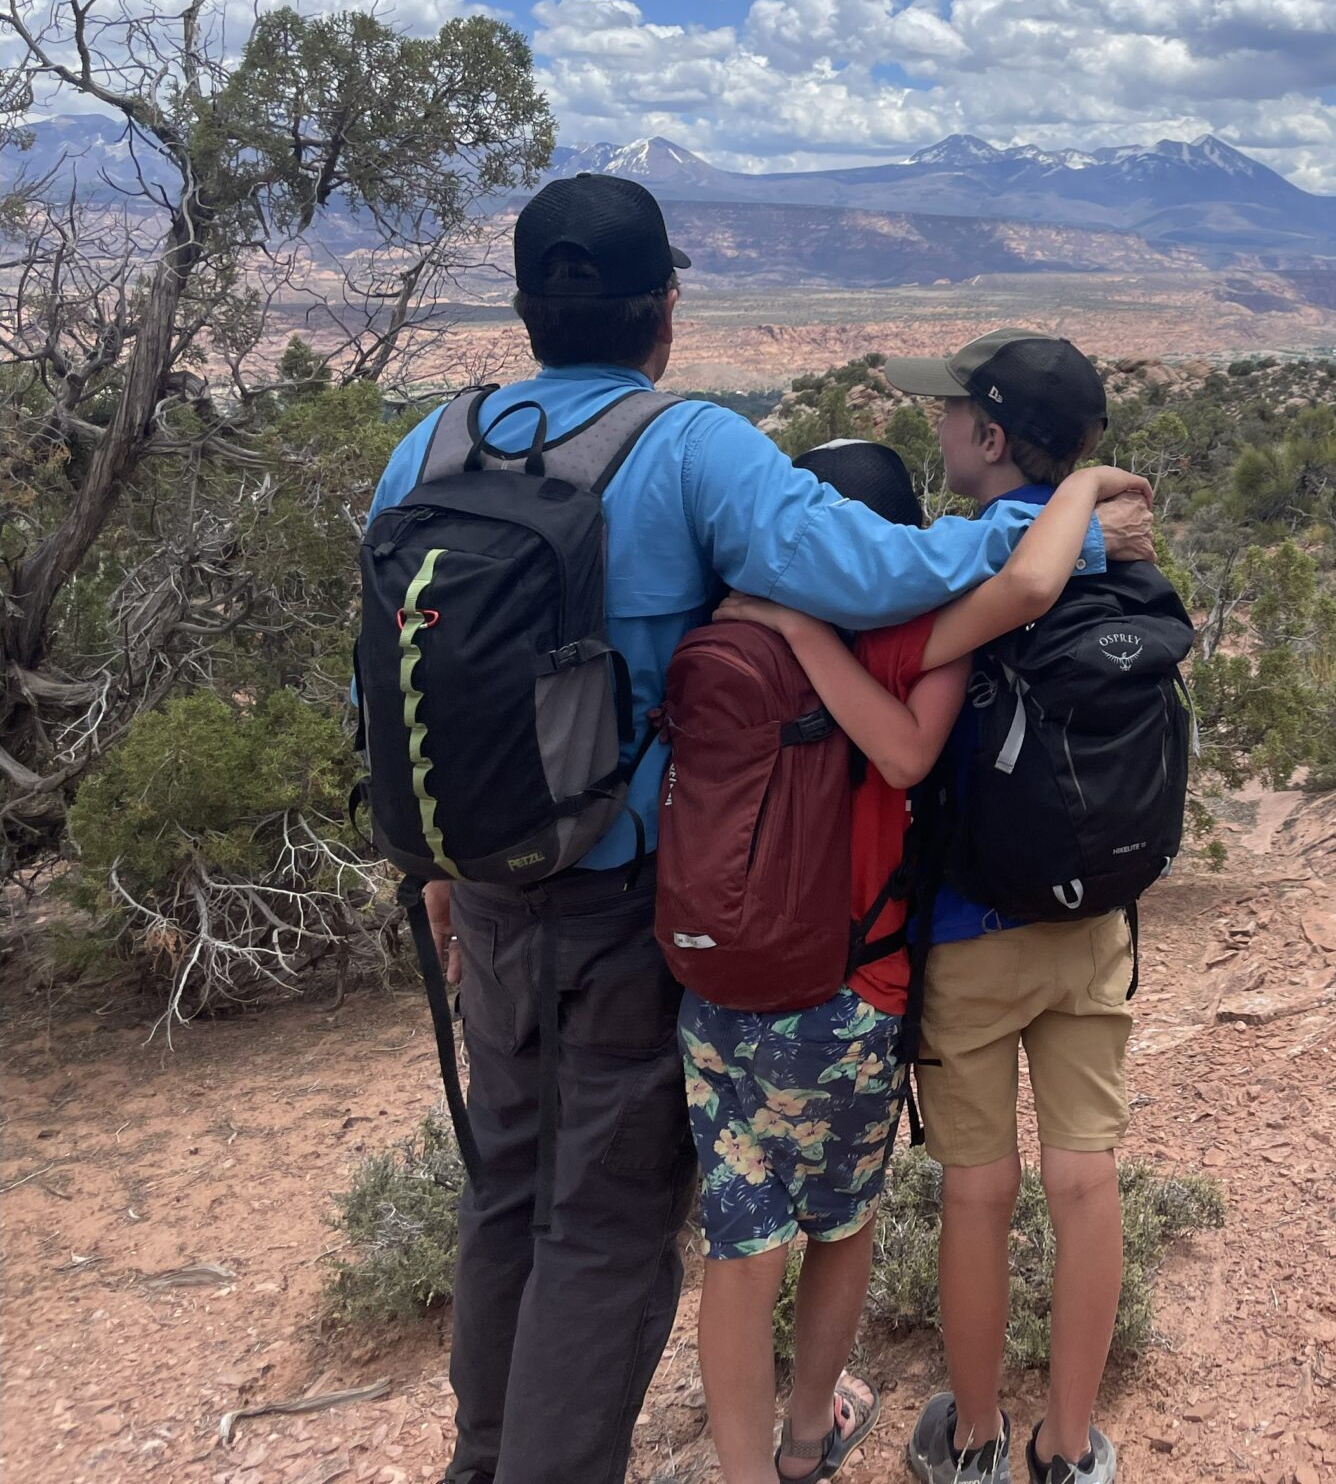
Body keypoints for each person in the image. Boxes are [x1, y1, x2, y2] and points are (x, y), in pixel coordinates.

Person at [368, 178, 1155, 1484]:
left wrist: (439, 861)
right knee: (605, 1226)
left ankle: (483, 1455)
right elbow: (889, 578)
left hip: (487, 890)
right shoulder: (685, 448)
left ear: (524, 307)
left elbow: (390, 686)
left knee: (505, 1184)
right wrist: (1063, 521)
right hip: (632, 903)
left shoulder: (429, 450)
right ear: (665, 309)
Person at [686, 441, 1151, 1484]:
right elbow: (911, 748)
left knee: (744, 1234)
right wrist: (1083, 494)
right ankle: (1046, 1449)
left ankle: (943, 1445)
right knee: (850, 1220)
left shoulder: (725, 630)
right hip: (862, 978)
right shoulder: (909, 640)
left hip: (723, 984)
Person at [872, 332, 1138, 1484]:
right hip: (1091, 918)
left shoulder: (958, 554)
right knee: (1086, 1180)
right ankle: (1069, 1448)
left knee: (977, 1194)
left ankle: (973, 1442)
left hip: (970, 929)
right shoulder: (1122, 555)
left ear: (988, 436)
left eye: (945, 416)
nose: (933, 430)